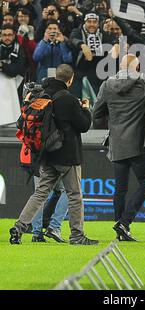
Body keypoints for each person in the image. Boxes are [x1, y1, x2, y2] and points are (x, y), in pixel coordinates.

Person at [92, 26, 145, 242]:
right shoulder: (141, 82)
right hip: (136, 143)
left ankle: (120, 227)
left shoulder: (107, 85)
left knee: (121, 188)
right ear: (136, 69)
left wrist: (113, 110)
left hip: (117, 143)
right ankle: (124, 223)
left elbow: (97, 114)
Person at [9, 63, 99, 246]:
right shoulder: (69, 99)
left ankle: (19, 227)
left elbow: (22, 122)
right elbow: (83, 126)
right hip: (67, 156)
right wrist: (85, 109)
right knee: (74, 194)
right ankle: (77, 235)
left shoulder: (41, 95)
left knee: (40, 193)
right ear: (70, 79)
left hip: (46, 155)